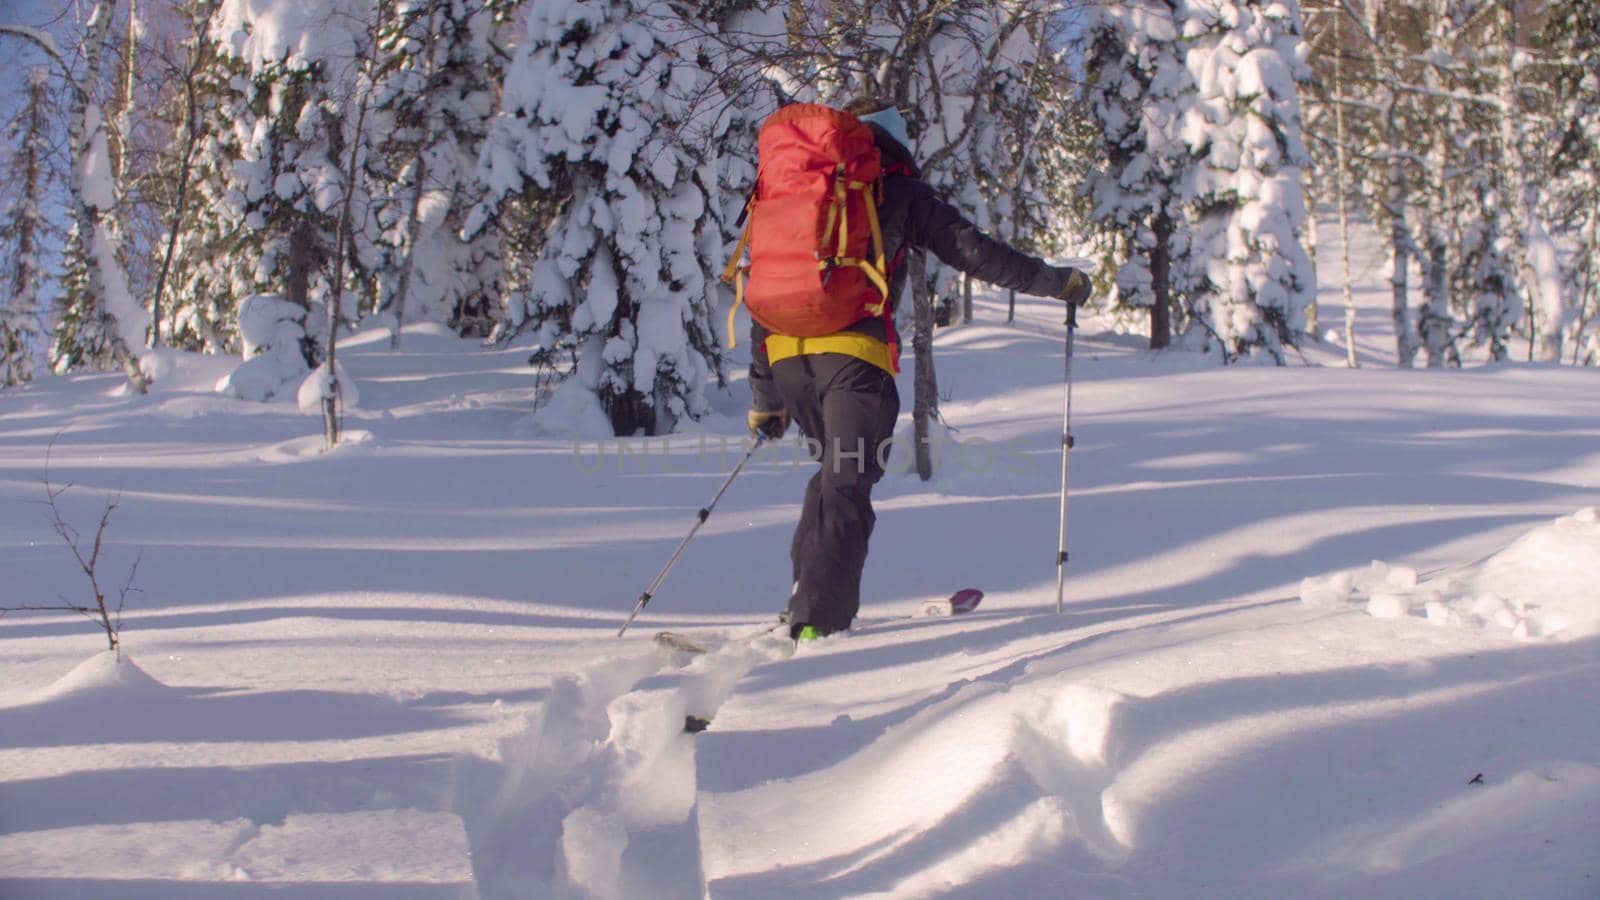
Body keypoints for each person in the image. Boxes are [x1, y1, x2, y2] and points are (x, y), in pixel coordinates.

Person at [745, 98, 1090, 642]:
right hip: (853, 362)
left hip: (789, 358)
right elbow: (975, 252)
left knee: (835, 475)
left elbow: (766, 289)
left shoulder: (805, 192)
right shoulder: (895, 188)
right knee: (846, 482)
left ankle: (805, 601)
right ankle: (818, 623)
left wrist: (766, 395)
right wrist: (1057, 283)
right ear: (896, 143)